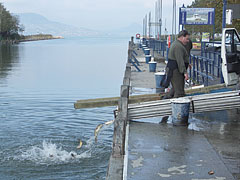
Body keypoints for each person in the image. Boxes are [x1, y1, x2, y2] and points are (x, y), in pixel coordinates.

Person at [163, 30, 191, 99]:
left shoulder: (177, 44)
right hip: (176, 70)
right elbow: (180, 60)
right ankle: (177, 107)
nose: (188, 41)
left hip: (174, 69)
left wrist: (187, 63)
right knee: (179, 92)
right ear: (182, 37)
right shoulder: (178, 46)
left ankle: (166, 99)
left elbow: (181, 59)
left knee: (175, 88)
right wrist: (185, 72)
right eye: (187, 39)